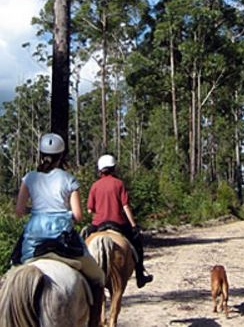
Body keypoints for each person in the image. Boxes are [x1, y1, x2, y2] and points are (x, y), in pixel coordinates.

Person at [13, 133, 105, 327]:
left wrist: (37, 210)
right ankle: (95, 322)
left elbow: (19, 211)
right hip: (63, 240)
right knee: (98, 277)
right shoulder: (69, 180)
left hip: (33, 240)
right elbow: (79, 215)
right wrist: (63, 214)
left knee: (11, 273)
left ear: (41, 154)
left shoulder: (29, 178)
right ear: (62, 156)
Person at [86, 154, 154, 288]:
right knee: (136, 243)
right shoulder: (119, 184)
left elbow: (89, 210)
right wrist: (134, 226)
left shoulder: (95, 186)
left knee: (83, 243)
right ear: (113, 168)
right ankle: (140, 275)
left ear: (100, 169)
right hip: (118, 223)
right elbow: (125, 206)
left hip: (98, 224)